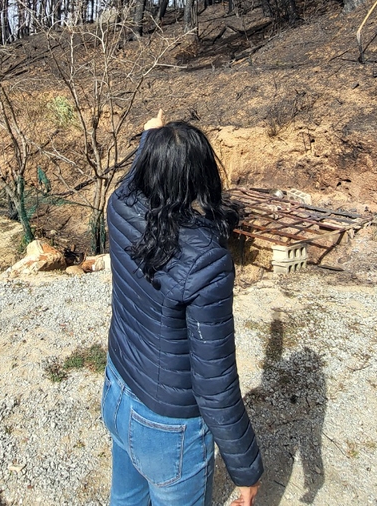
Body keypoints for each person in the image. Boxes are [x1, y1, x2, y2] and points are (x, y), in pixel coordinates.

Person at [103, 110, 263, 506]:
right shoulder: (206, 260)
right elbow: (215, 382)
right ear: (201, 178)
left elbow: (132, 180)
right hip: (166, 428)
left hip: (117, 391)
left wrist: (149, 141)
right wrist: (246, 470)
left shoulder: (119, 206)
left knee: (125, 501)